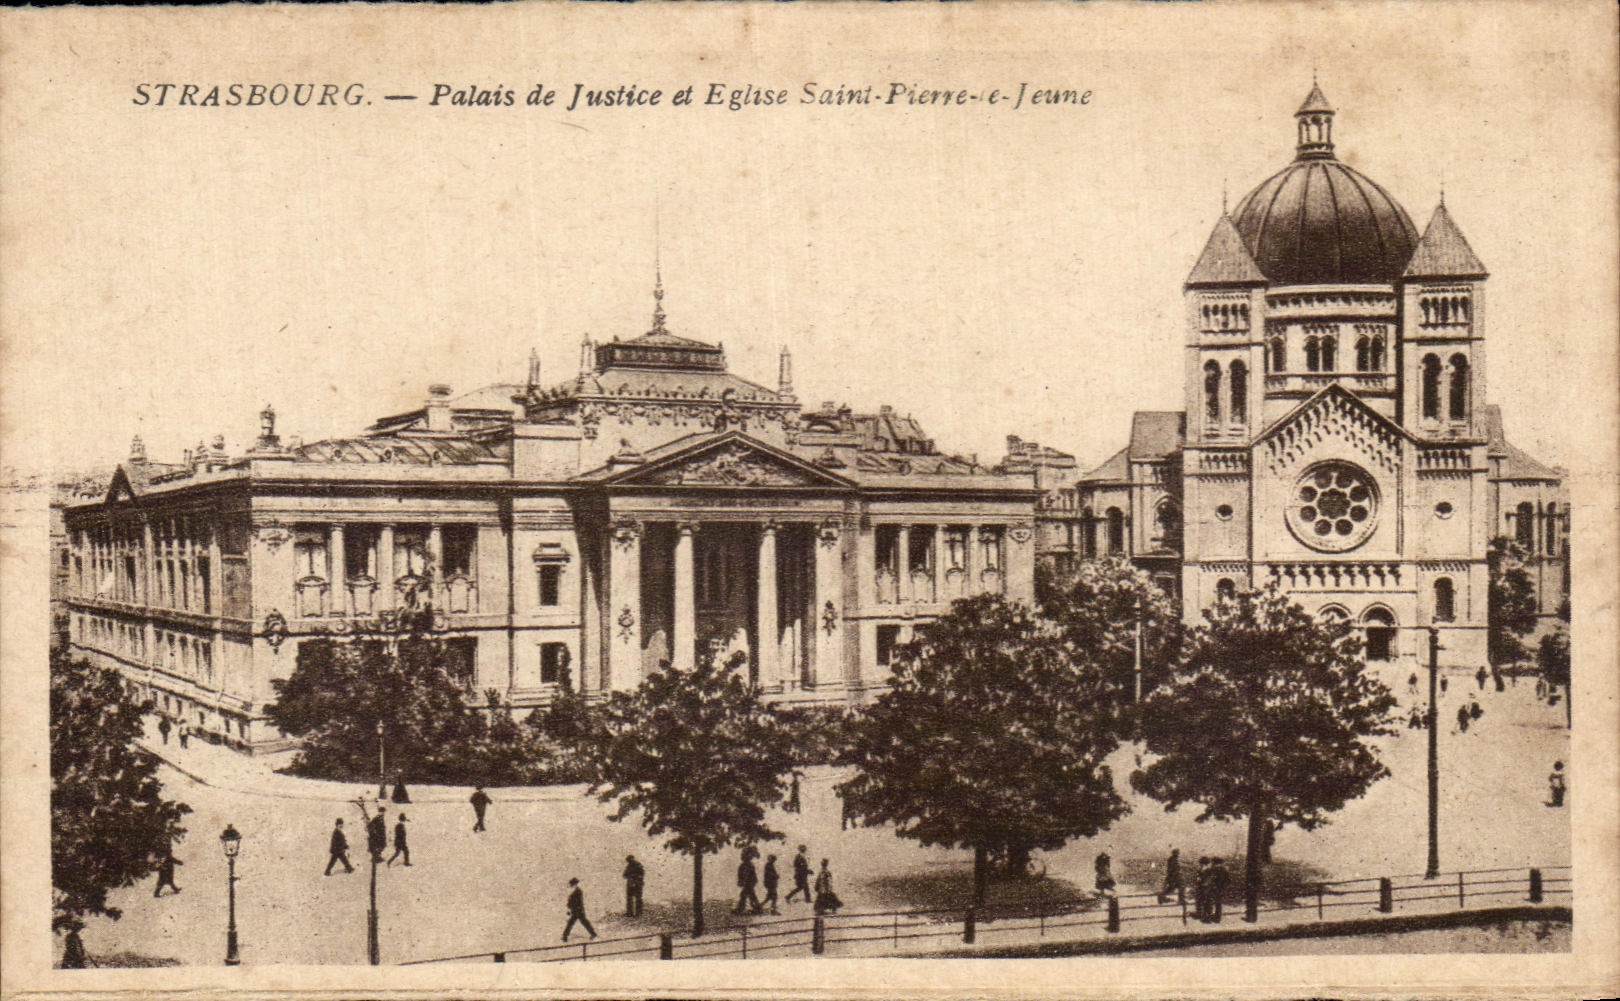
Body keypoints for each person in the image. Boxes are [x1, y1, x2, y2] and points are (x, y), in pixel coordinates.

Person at [734, 847, 764, 915]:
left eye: (743, 855)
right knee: (748, 895)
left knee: (746, 895)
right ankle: (757, 909)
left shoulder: (747, 865)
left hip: (748, 883)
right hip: (749, 883)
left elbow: (746, 875)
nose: (741, 856)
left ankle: (755, 909)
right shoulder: (748, 864)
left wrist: (743, 881)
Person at [1208, 858, 1230, 923]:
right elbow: (1228, 880)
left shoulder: (1213, 869)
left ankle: (1211, 916)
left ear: (1215, 863)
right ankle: (1218, 918)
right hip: (1221, 888)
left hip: (1214, 888)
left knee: (1211, 902)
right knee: (1219, 903)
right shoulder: (1225, 870)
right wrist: (1224, 887)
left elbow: (1211, 879)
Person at [1193, 857, 1212, 922]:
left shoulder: (1208, 870)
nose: (1200, 865)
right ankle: (1201, 915)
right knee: (1201, 901)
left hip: (1205, 887)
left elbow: (1209, 879)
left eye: (1201, 863)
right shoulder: (1201, 870)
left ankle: (1206, 916)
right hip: (1202, 887)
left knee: (1206, 902)